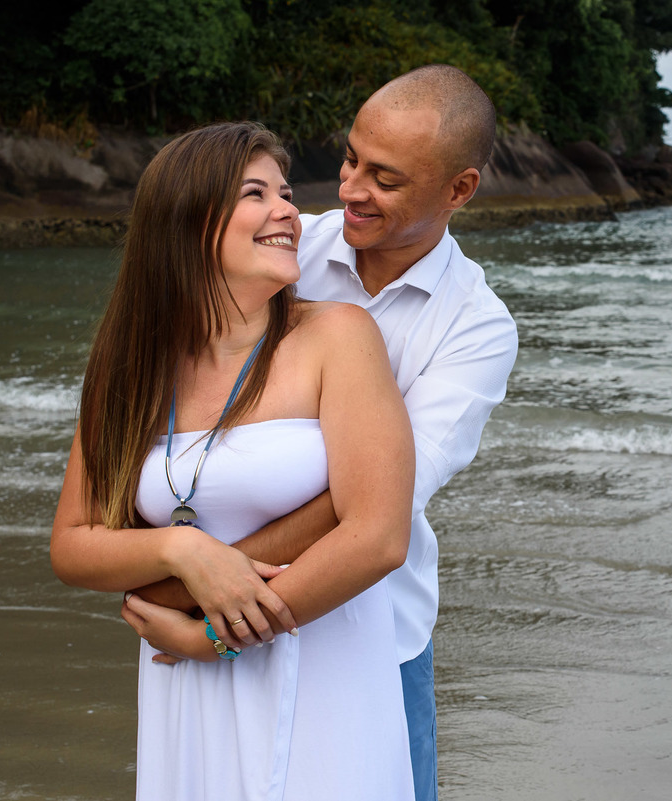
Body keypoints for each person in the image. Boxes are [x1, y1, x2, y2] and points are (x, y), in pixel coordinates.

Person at [129, 64, 519, 801]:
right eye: (350, 158)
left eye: (386, 178)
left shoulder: (475, 327)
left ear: (458, 190)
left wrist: (206, 598)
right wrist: (191, 570)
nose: (348, 189)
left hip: (372, 622)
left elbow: (376, 505)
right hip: (216, 606)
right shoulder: (288, 245)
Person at [50, 121, 417, 800]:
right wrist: (184, 551)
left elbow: (378, 535)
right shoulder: (130, 366)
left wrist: (220, 638)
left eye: (284, 191)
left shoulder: (336, 336)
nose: (289, 209)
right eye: (257, 193)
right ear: (189, 222)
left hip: (321, 666)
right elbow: (73, 545)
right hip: (182, 686)